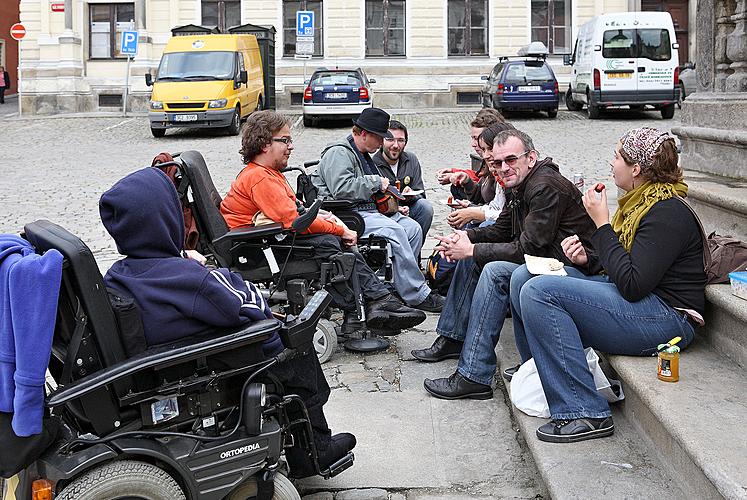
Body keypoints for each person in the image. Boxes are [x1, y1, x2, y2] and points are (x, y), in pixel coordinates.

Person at [100, 167, 356, 478]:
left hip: (168, 355)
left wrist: (183, 262)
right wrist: (205, 271)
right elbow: (245, 304)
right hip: (217, 358)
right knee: (296, 346)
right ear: (164, 220)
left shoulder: (120, 273)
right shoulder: (186, 278)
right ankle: (315, 447)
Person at [510, 127, 705, 443]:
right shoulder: (639, 204)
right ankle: (541, 372)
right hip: (642, 302)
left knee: (540, 293)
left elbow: (632, 284)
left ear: (636, 169)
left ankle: (584, 411)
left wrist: (601, 224)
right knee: (526, 277)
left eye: (617, 157)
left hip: (669, 318)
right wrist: (587, 259)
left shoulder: (667, 212)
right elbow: (622, 268)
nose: (611, 162)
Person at [412, 128, 601, 400]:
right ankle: (454, 338)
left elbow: (528, 248)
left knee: (494, 270)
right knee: (473, 259)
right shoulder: (519, 184)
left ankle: (474, 374)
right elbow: (501, 229)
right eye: (497, 163)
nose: (503, 168)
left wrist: (473, 249)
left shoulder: (544, 186)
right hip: (547, 261)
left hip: (575, 267)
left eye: (511, 160)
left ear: (531, 158)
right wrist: (464, 238)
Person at [220, 110, 425, 331]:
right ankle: (373, 303)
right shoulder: (259, 177)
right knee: (331, 246)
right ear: (264, 144)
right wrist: (340, 230)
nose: (291, 146)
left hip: (263, 241)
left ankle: (372, 305)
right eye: (285, 140)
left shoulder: (267, 173)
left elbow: (295, 214)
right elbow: (294, 222)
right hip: (255, 250)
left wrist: (326, 219)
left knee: (331, 244)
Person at [310, 107, 444, 312]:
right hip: (349, 215)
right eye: (379, 137)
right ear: (363, 134)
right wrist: (375, 182)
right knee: (396, 231)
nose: (382, 143)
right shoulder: (339, 152)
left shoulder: (361, 153)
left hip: (366, 211)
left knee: (412, 229)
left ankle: (400, 287)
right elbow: (342, 190)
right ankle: (418, 295)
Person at [372, 120, 434, 240]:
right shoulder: (373, 164)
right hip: (386, 214)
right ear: (381, 141)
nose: (396, 145)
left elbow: (421, 194)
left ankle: (415, 251)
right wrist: (396, 209)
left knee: (425, 207)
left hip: (409, 208)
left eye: (400, 140)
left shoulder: (411, 160)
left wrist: (412, 196)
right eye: (390, 139)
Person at [446, 122, 512, 229]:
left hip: (506, 231)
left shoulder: (507, 174)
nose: (485, 155)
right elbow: (494, 205)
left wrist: (473, 213)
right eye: (484, 149)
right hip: (491, 214)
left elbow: (508, 217)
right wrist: (470, 207)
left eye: (490, 149)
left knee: (483, 226)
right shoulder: (494, 170)